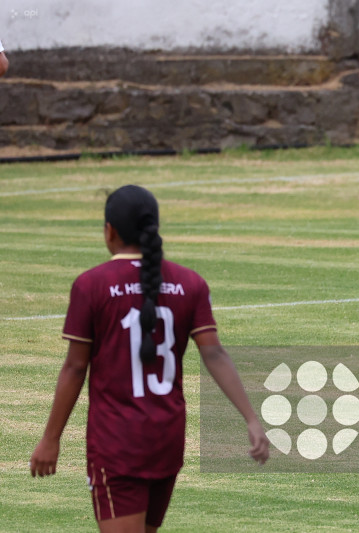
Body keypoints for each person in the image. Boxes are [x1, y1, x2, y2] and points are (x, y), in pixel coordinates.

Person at [29, 185, 270, 531]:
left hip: (117, 445)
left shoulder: (92, 285)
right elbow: (214, 353)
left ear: (109, 231)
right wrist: (251, 418)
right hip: (166, 441)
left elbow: (75, 366)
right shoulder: (190, 283)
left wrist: (51, 438)